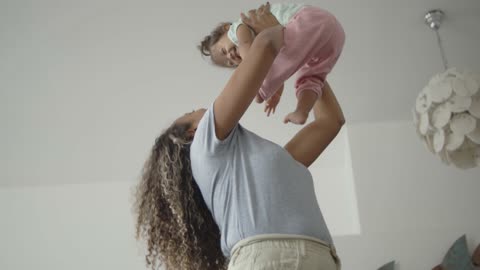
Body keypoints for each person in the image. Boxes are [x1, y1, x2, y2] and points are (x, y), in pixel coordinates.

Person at [134, 3, 345, 270]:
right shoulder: (204, 145)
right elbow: (267, 44)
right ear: (191, 133)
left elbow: (330, 122)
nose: (200, 109)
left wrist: (306, 59)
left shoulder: (270, 161)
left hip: (317, 256)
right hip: (267, 258)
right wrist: (281, 33)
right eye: (190, 112)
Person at [198, 2, 345, 125]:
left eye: (224, 51)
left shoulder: (238, 28)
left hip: (306, 20)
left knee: (274, 63)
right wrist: (276, 93)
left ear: (226, 28)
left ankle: (262, 89)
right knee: (312, 78)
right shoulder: (265, 48)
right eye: (230, 63)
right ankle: (302, 111)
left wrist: (257, 83)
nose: (231, 56)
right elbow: (271, 67)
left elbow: (248, 51)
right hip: (334, 34)